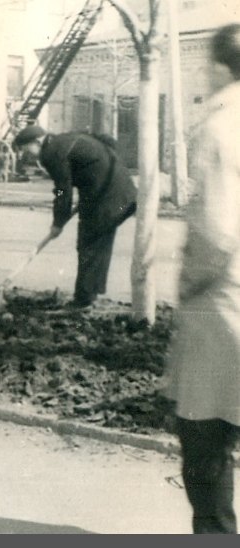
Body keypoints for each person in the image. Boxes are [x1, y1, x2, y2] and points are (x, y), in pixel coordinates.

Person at [163, 23, 240, 534]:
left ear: (217, 68)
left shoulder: (220, 125)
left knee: (204, 435)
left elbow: (217, 227)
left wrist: (187, 286)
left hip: (221, 300)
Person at [13, 124, 137, 308]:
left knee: (89, 243)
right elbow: (105, 146)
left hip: (107, 197)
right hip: (122, 193)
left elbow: (62, 191)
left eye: (26, 149)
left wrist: (58, 222)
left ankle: (83, 300)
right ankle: (90, 295)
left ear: (37, 142)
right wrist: (89, 191)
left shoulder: (51, 153)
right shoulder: (63, 140)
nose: (27, 154)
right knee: (98, 243)